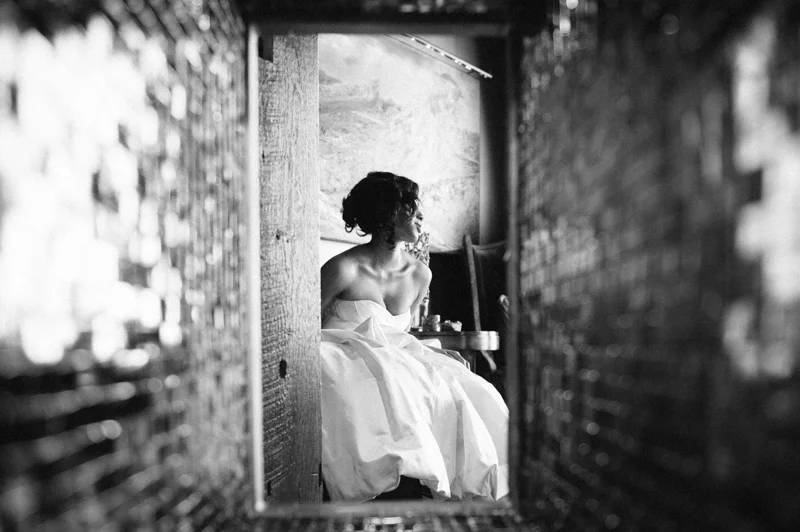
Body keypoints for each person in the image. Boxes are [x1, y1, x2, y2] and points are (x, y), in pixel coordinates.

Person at [320, 171, 509, 502]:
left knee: (472, 388)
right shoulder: (342, 269)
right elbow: (301, 327)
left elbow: (399, 336)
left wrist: (433, 351)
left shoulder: (421, 274)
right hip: (345, 353)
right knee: (373, 382)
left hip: (395, 356)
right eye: (411, 207)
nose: (420, 215)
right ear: (387, 215)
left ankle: (461, 490)